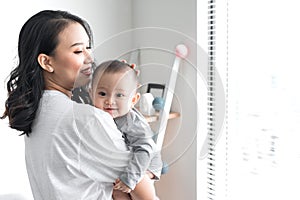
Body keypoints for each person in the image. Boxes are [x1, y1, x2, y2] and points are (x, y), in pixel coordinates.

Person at [1, 10, 154, 200]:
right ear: (46, 62)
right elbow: (140, 183)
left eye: (89, 48)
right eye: (78, 51)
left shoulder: (36, 111)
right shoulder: (87, 120)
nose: (90, 58)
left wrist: (116, 83)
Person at [89, 60, 162, 200]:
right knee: (117, 192)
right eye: (102, 94)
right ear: (91, 94)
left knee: (139, 186)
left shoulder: (132, 122)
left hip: (145, 164)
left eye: (120, 95)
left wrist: (131, 177)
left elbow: (145, 150)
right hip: (125, 165)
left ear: (133, 99)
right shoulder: (96, 115)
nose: (110, 101)